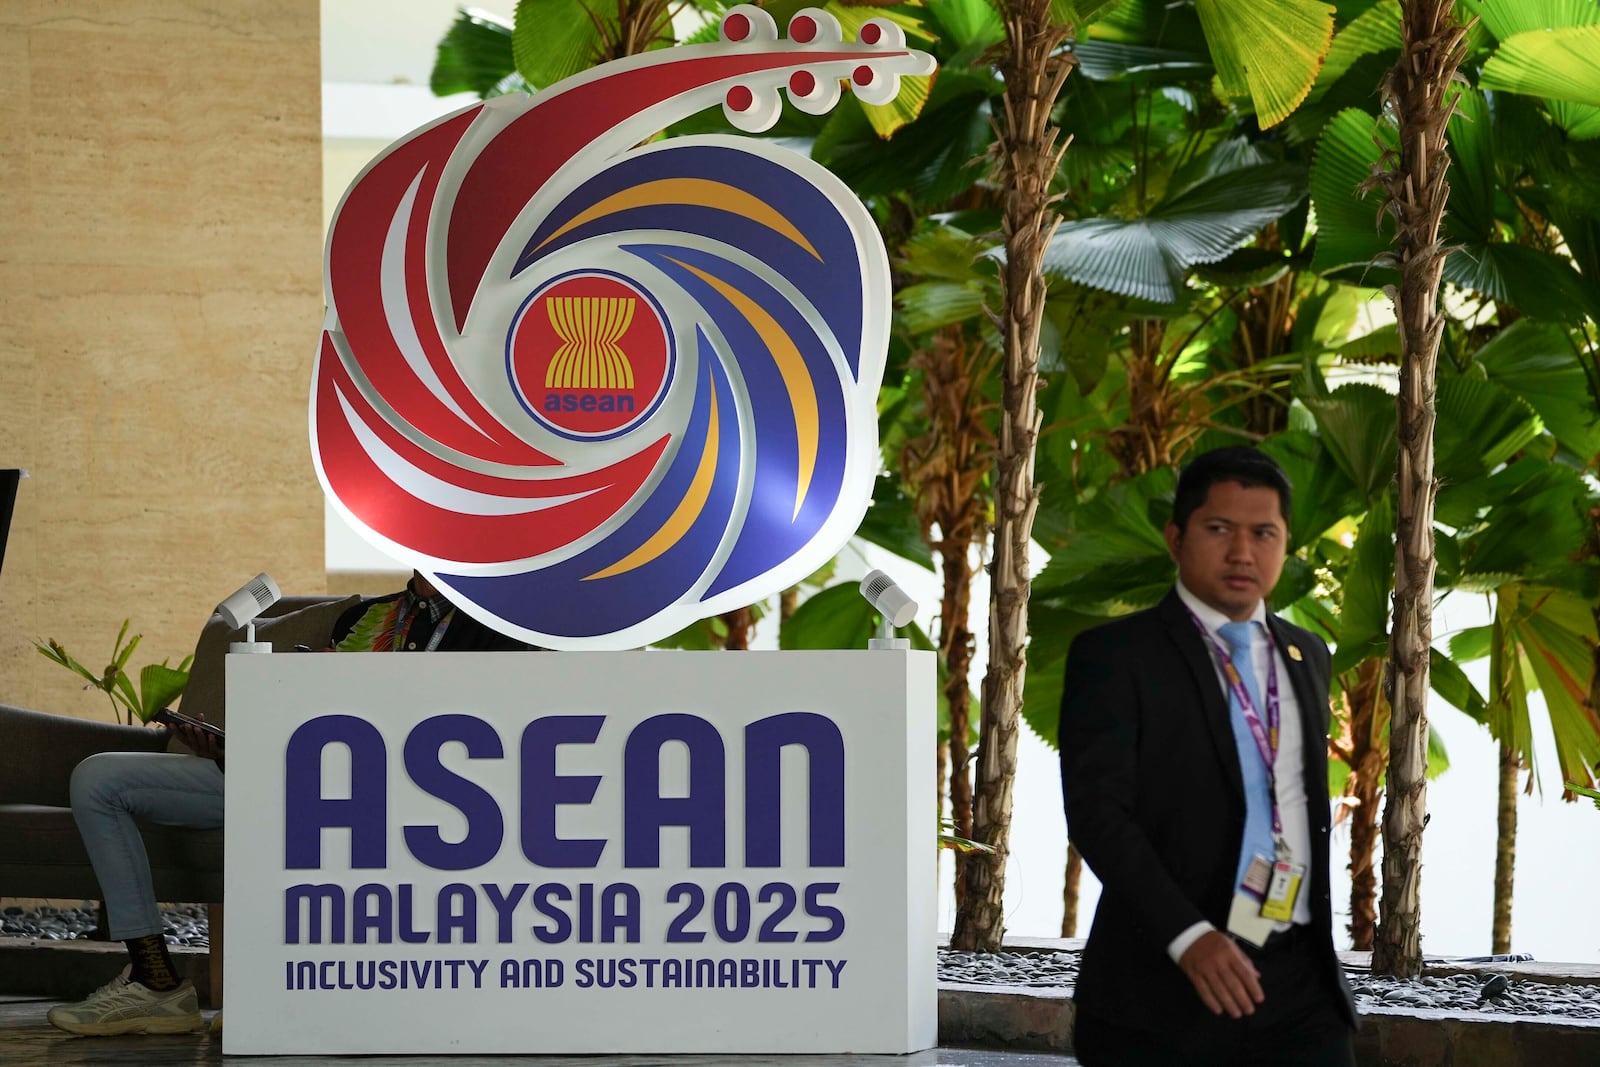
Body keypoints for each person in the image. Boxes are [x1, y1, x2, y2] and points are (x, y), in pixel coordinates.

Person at [46, 572, 533, 1037]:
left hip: (398, 794)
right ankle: (155, 981)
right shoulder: (364, 619)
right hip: (281, 772)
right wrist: (227, 747)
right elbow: (304, 722)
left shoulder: (497, 626)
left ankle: (286, 996)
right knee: (99, 779)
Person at [1059, 446, 1358, 1067]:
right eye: (1219, 529)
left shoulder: (1308, 655)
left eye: (1263, 533)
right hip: (1163, 991)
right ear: (1176, 537)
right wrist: (1188, 937)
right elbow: (1098, 814)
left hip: (1301, 985)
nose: (1242, 552)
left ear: (1285, 544)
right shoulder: (1116, 656)